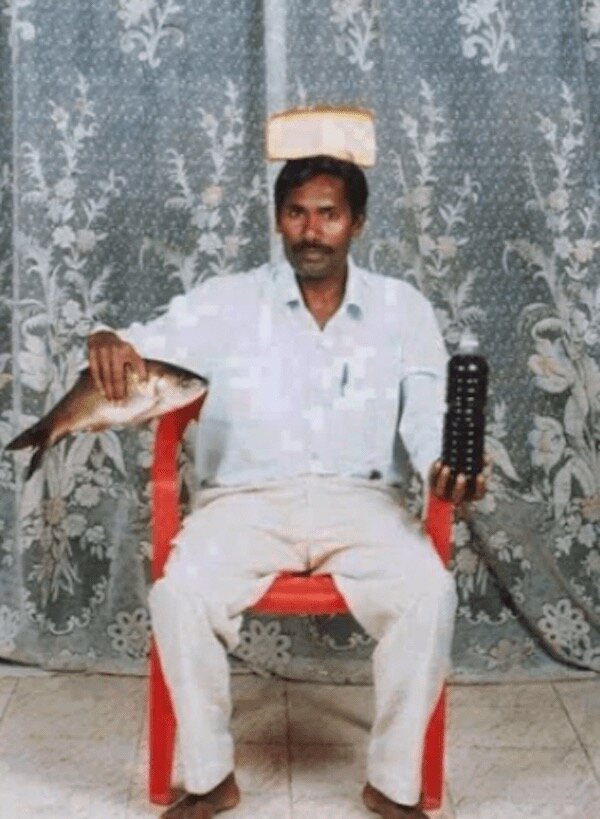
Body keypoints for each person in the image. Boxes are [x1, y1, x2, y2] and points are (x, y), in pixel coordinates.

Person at [88, 113, 485, 818]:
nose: (311, 230)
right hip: (244, 503)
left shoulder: (401, 308)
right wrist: (106, 337)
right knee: (178, 595)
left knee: (430, 593)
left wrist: (444, 466)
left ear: (356, 223)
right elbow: (137, 342)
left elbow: (428, 416)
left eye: (328, 214)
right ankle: (210, 778)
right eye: (297, 213)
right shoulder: (227, 301)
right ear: (278, 220)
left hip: (361, 504)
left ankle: (394, 787)